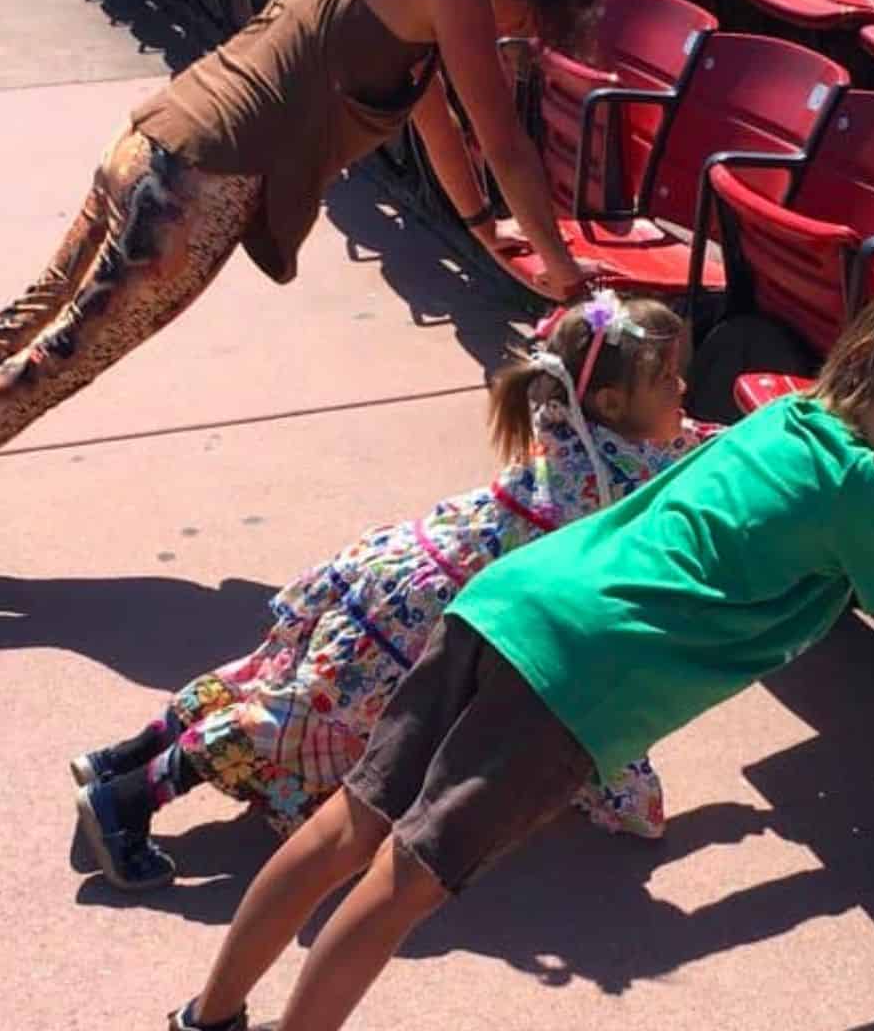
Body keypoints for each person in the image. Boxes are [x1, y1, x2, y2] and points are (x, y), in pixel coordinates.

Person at [163, 273, 874, 1031]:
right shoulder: (866, 495)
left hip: (505, 604)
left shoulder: (790, 423)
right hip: (573, 679)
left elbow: (839, 519)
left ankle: (208, 1017)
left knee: (356, 823)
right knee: (404, 879)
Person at [0, 0, 601, 598]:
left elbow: (435, 123)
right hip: (204, 184)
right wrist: (566, 277)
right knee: (60, 358)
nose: (517, 39)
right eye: (530, 23)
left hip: (156, 137)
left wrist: (481, 229)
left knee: (26, 324)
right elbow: (505, 143)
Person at [70, 292, 705, 889]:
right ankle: (124, 801)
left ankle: (122, 756)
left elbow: (684, 448)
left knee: (275, 677)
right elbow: (684, 479)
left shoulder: (576, 427)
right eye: (667, 380)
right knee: (296, 723)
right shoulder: (612, 480)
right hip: (419, 614)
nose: (682, 389)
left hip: (401, 567)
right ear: (616, 405)